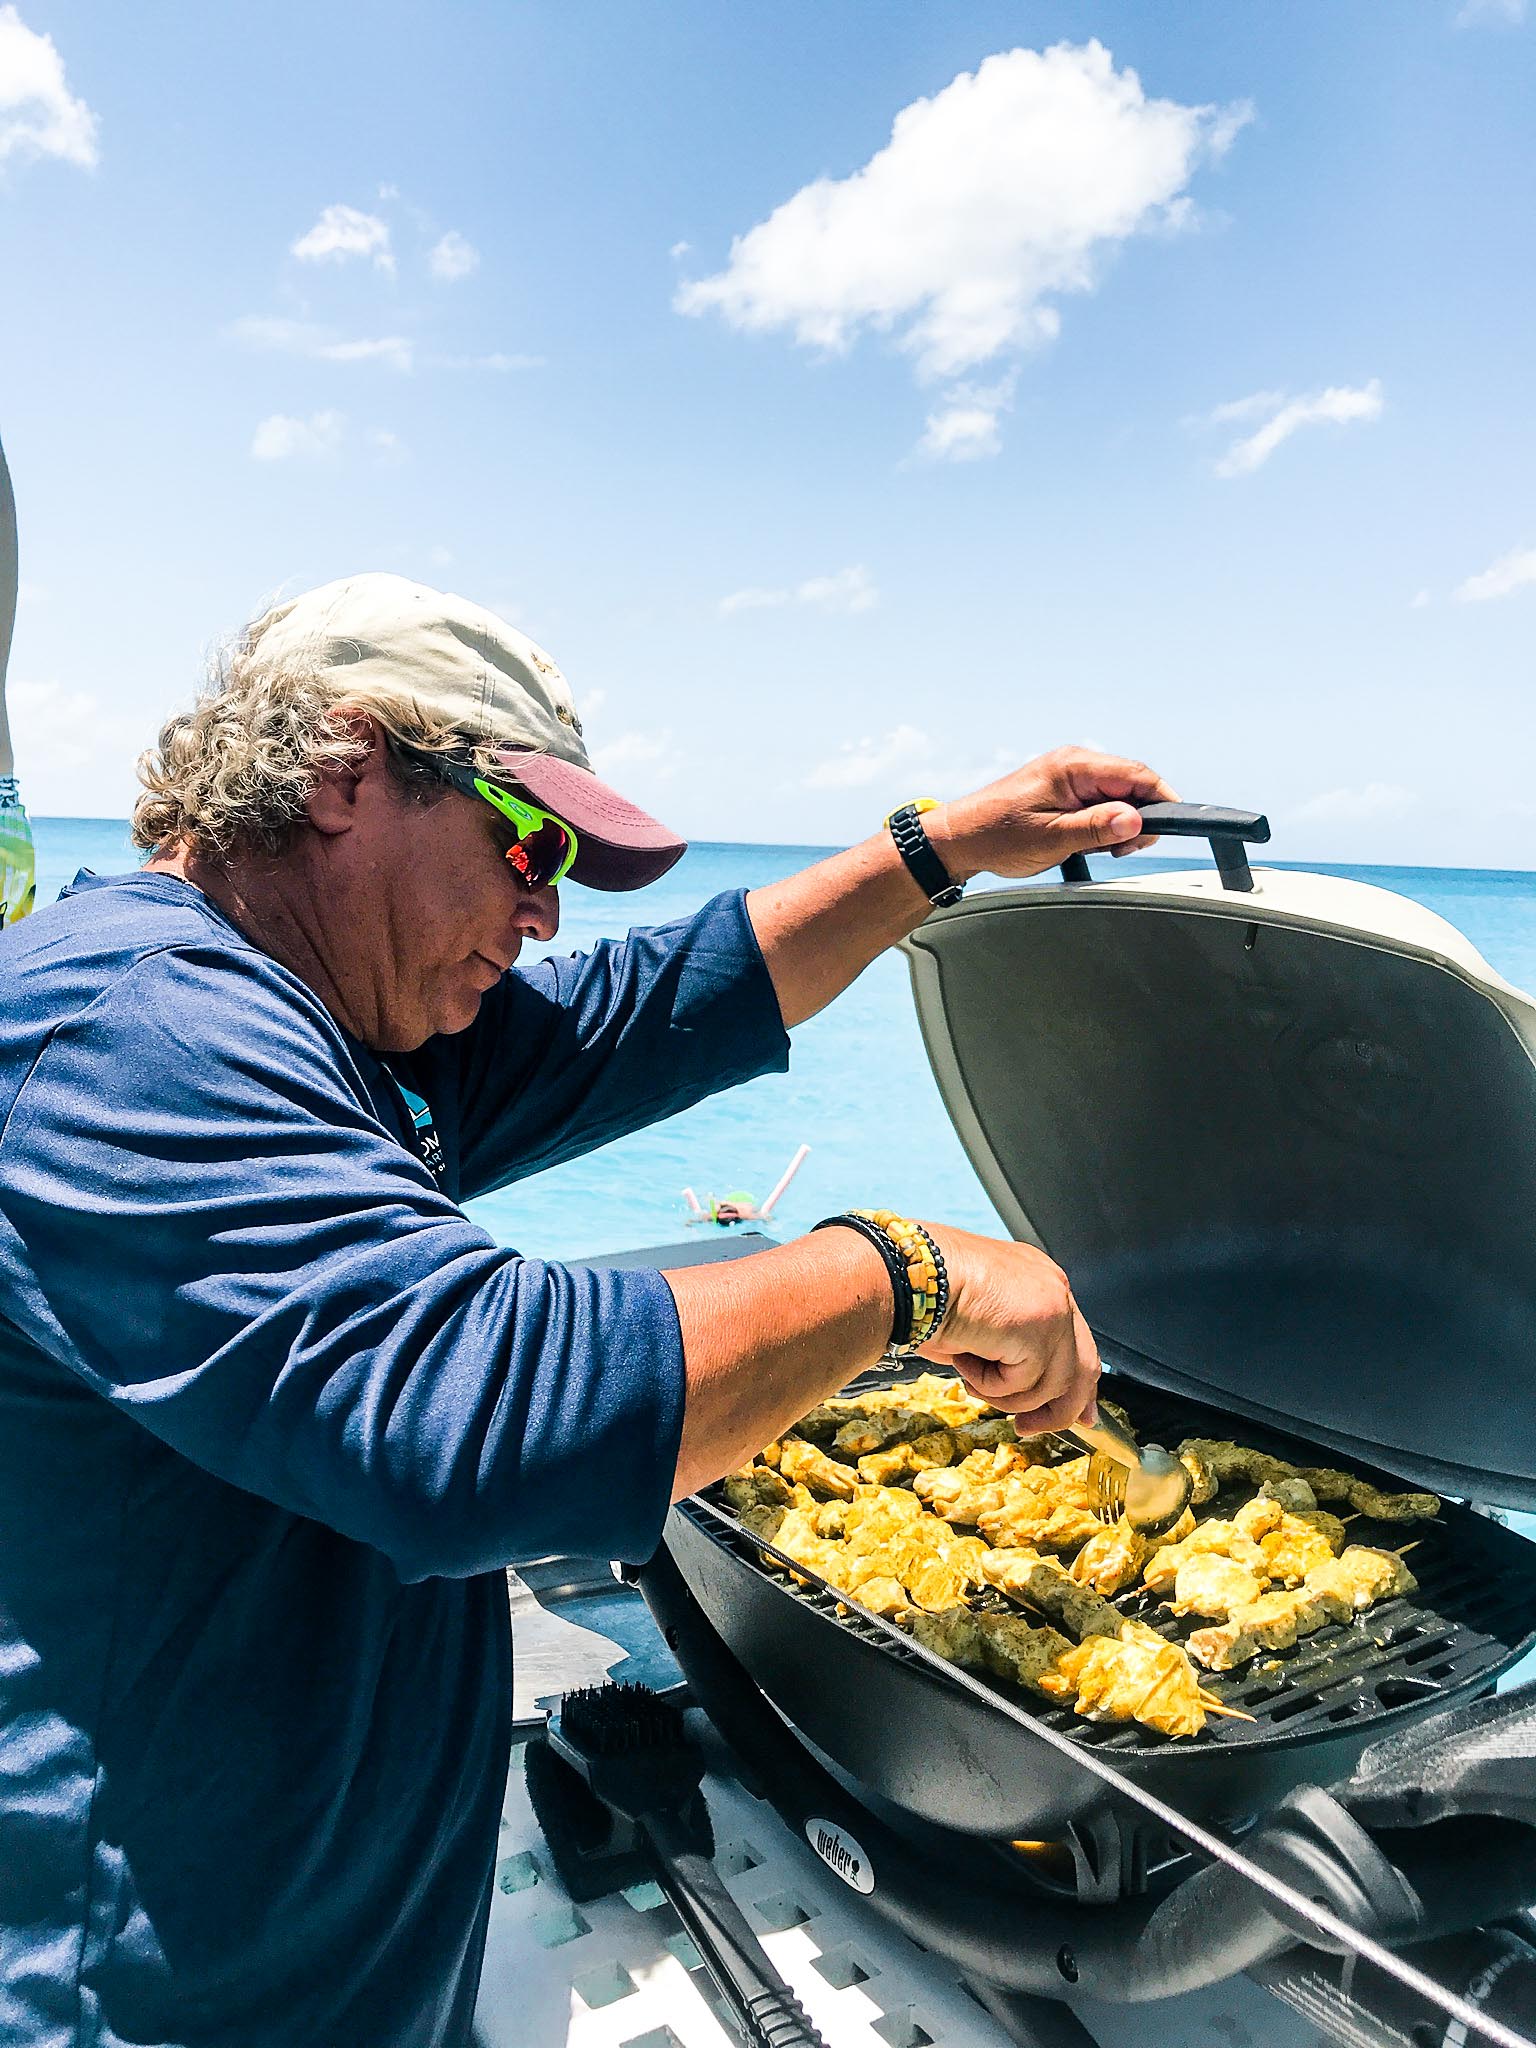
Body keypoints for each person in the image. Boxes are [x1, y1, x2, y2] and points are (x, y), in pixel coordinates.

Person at [0, 573, 1174, 2048]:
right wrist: (901, 1270)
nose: (544, 912)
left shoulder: (325, 1018)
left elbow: (652, 1007)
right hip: (157, 1996)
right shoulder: (132, 1030)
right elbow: (477, 1423)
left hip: (342, 1961)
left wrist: (939, 849)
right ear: (350, 768)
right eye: (526, 844)